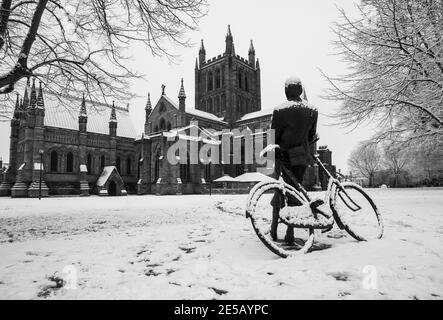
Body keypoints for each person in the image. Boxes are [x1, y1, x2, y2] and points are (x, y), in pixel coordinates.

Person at [270, 77, 319, 243]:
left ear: (286, 91)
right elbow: (312, 136)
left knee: (279, 191)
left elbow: (273, 137)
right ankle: (290, 231)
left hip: (283, 157)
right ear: (300, 90)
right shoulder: (312, 110)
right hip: (301, 158)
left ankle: (273, 229)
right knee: (296, 192)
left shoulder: (280, 111)